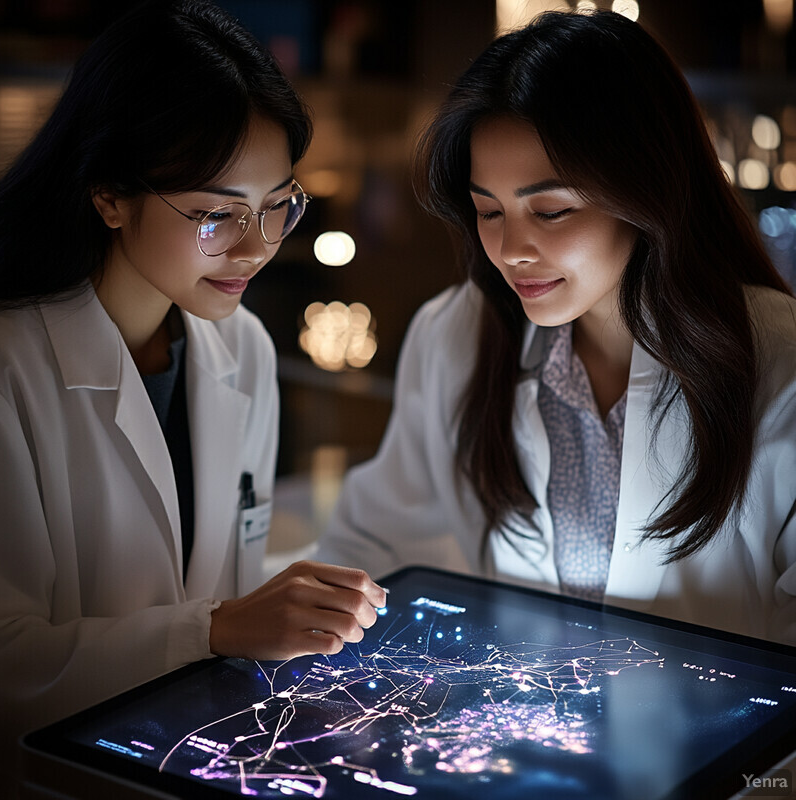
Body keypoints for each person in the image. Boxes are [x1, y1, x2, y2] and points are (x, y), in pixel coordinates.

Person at [0, 1, 385, 794]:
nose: (257, 247)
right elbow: (6, 664)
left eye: (277, 205)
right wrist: (214, 630)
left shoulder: (238, 345)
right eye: (215, 214)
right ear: (109, 195)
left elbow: (231, 595)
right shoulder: (9, 364)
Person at [318, 10, 796, 645]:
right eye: (489, 211)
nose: (512, 249)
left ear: (647, 192)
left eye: (550, 210)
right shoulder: (458, 334)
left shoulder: (779, 359)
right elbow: (376, 544)